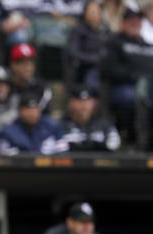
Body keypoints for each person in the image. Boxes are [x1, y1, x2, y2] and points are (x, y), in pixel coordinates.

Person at [101, 8, 153, 146]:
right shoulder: (115, 42)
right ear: (123, 23)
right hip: (125, 85)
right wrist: (134, 76)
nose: (135, 23)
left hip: (149, 87)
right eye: (131, 20)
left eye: (137, 20)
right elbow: (108, 68)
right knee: (128, 98)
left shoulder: (148, 45)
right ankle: (129, 138)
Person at [0, 92, 67, 156]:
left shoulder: (52, 127)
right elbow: (7, 158)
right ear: (20, 111)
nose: (32, 114)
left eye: (35, 109)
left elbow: (63, 153)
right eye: (28, 109)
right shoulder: (9, 131)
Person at [62, 85, 121, 152]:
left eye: (88, 101)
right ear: (71, 103)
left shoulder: (105, 126)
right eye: (79, 101)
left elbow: (114, 146)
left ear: (94, 103)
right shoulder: (60, 127)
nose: (84, 105)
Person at [65, 0, 108, 90]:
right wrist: (93, 59)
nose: (94, 14)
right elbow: (73, 52)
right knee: (92, 74)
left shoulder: (105, 31)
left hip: (104, 68)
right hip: (84, 68)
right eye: (91, 11)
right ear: (85, 13)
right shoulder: (78, 30)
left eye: (96, 11)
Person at [37, 202, 108, 234]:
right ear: (70, 222)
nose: (87, 226)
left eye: (90, 222)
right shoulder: (56, 233)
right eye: (82, 222)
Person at [9, 43, 52, 113]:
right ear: (13, 65)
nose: (28, 68)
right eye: (23, 63)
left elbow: (40, 114)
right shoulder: (5, 87)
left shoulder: (41, 87)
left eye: (31, 62)